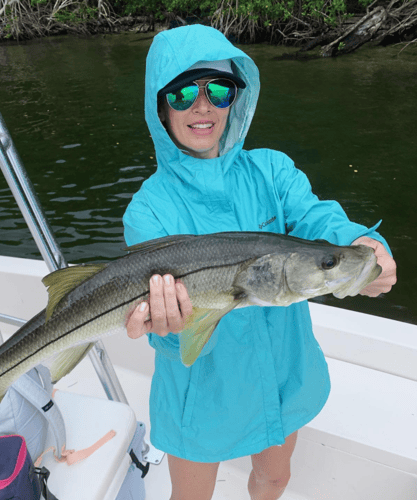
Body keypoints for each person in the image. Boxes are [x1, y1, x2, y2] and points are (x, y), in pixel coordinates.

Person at [123, 24, 397, 500]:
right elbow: (173, 341)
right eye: (184, 91)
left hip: (284, 371)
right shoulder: (148, 211)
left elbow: (316, 218)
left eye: (219, 90)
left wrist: (360, 243)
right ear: (160, 106)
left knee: (275, 479)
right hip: (202, 389)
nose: (202, 106)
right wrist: (165, 327)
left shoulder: (272, 169)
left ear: (236, 99)